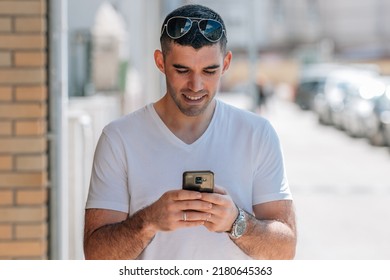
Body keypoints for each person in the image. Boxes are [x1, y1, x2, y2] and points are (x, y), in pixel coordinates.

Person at [84, 4, 296, 260]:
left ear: (226, 63)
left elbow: (286, 250)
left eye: (209, 71)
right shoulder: (119, 138)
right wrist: (149, 221)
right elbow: (95, 256)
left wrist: (237, 222)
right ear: (160, 62)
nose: (196, 86)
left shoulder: (257, 134)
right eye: (182, 70)